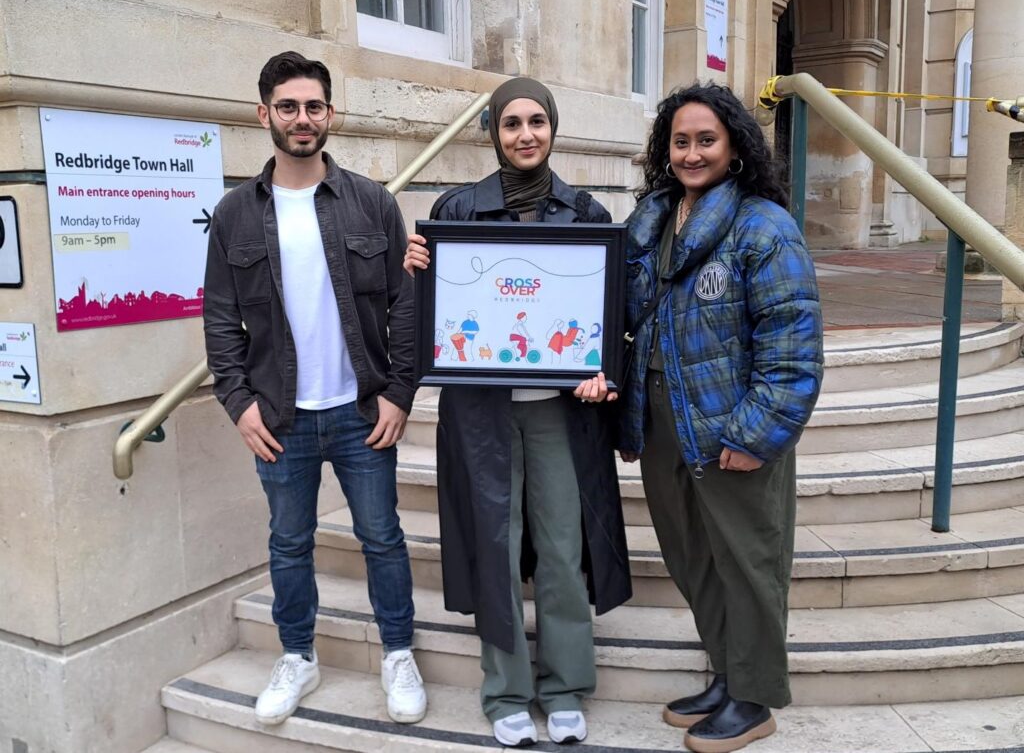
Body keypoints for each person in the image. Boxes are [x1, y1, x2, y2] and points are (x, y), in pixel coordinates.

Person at [583, 82, 823, 753]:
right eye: (680, 141)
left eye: (705, 140)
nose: (691, 153)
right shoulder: (652, 222)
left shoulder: (764, 227)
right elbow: (618, 316)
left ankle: (755, 698)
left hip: (730, 426)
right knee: (693, 557)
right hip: (662, 423)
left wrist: (757, 433)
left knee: (747, 561)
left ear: (735, 147)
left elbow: (792, 344)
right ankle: (725, 672)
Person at [404, 77, 631, 747]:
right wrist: (420, 272)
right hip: (482, 414)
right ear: (492, 132)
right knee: (495, 548)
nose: (525, 133)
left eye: (537, 121)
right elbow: (428, 323)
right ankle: (504, 690)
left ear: (553, 128)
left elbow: (614, 317)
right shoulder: (457, 211)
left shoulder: (587, 215)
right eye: (511, 123)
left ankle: (564, 686)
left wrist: (603, 376)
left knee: (563, 548)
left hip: (562, 415)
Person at [203, 51, 426, 727]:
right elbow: (219, 318)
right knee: (289, 542)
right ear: (263, 113)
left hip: (361, 409)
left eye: (315, 106)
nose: (304, 119)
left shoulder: (372, 202)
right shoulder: (235, 213)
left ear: (331, 114)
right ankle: (298, 654)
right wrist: (239, 405)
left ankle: (397, 651)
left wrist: (398, 392)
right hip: (280, 416)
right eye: (290, 106)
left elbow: (404, 303)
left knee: (382, 536)